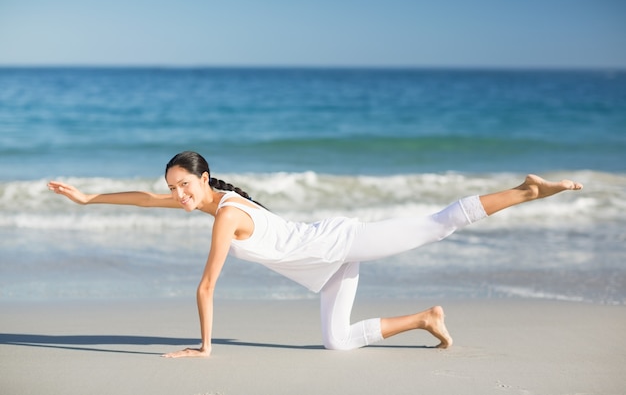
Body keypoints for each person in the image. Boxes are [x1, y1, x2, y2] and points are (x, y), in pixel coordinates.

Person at [47, 151, 583, 358]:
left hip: (339, 242)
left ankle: (527, 190)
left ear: (203, 178)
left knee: (435, 226)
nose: (178, 196)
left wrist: (205, 348)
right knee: (337, 343)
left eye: (184, 186)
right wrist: (91, 197)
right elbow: (145, 199)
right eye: (174, 188)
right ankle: (427, 319)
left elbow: (207, 285)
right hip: (325, 265)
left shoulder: (228, 214)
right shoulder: (209, 202)